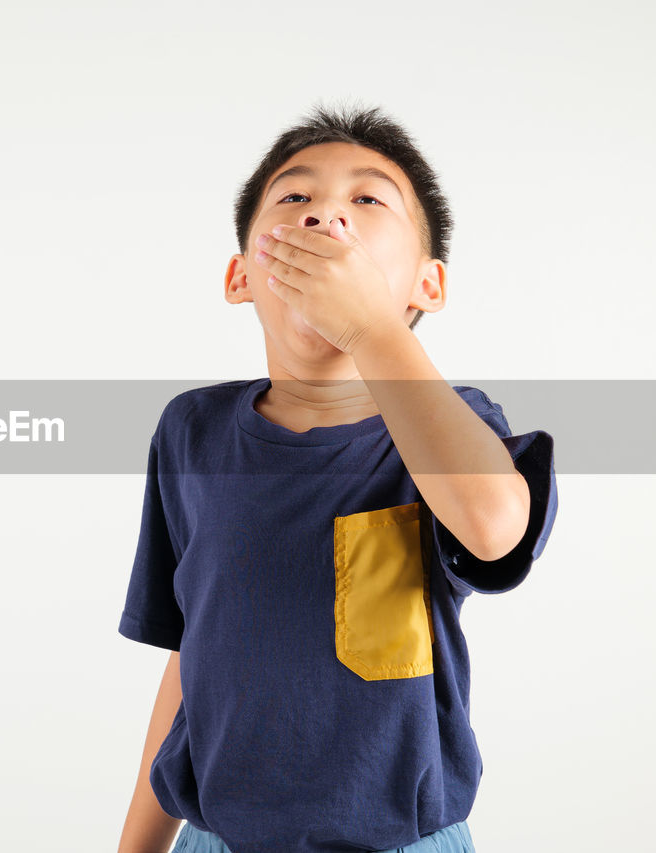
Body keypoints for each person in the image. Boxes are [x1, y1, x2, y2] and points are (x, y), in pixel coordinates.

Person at [115, 102, 559, 853]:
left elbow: (492, 527)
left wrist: (372, 329)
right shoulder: (192, 430)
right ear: (241, 275)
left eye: (367, 200)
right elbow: (192, 653)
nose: (326, 217)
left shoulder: (450, 426)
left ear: (428, 285)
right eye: (295, 198)